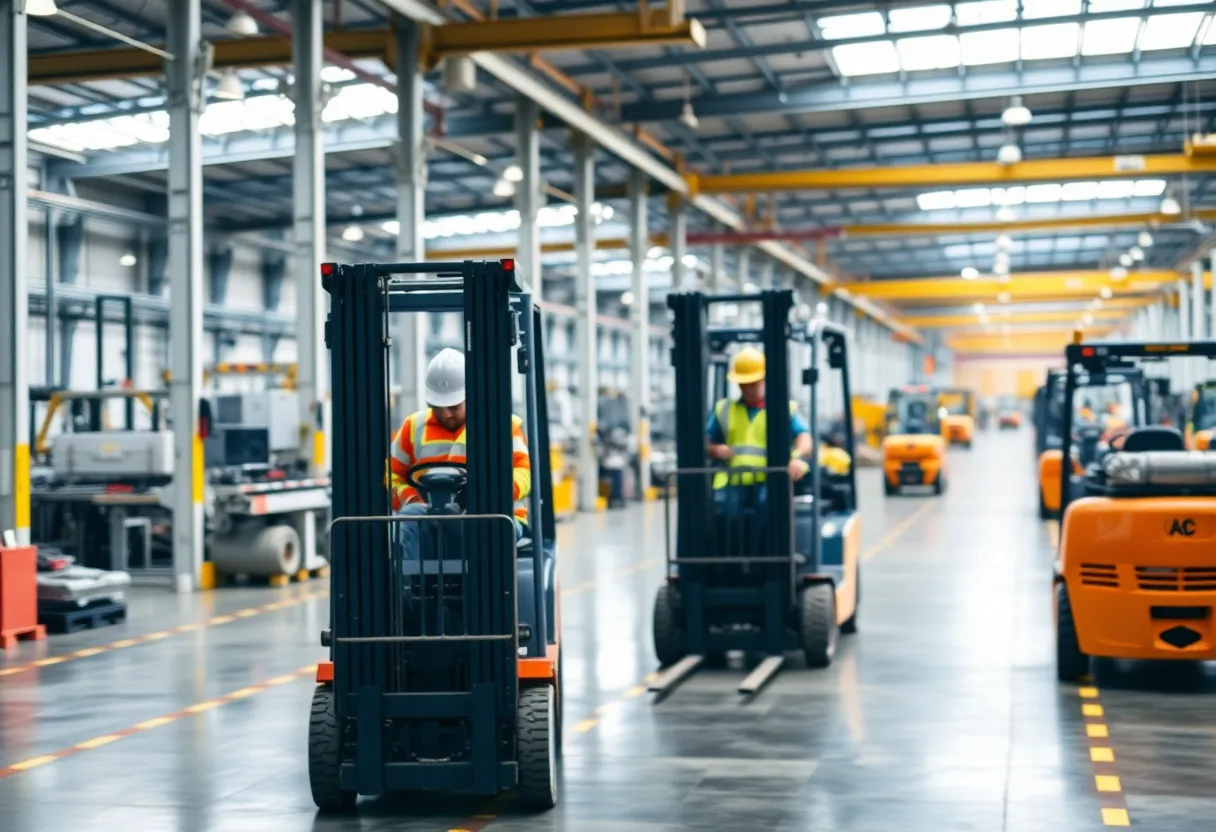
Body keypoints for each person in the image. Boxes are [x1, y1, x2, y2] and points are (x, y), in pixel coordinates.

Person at [389, 349, 531, 560]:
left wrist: (493, 495)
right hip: (429, 514)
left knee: (483, 530)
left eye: (454, 406)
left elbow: (523, 472)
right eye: (438, 406)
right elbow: (392, 477)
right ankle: (404, 590)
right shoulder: (413, 427)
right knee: (405, 522)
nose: (446, 414)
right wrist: (412, 500)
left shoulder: (504, 426)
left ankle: (486, 590)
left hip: (493, 515)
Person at [706, 347, 812, 504]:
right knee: (722, 508)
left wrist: (796, 457)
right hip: (734, 480)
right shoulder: (724, 409)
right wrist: (713, 449)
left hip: (769, 480)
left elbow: (804, 438)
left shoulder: (783, 408)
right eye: (743, 384)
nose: (748, 388)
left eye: (753, 383)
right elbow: (704, 440)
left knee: (770, 505)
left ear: (764, 380)